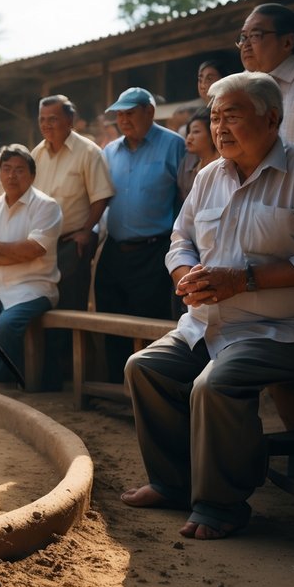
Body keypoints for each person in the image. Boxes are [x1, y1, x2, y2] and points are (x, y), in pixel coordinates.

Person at [121, 71, 294, 541]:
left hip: (285, 327)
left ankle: (222, 503)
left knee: (217, 384)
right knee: (145, 368)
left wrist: (245, 280)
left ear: (272, 118)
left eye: (233, 115)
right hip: (206, 322)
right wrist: (183, 274)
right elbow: (181, 237)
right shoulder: (210, 175)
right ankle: (174, 484)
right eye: (214, 117)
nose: (220, 127)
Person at [96, 87, 186, 380]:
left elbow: (185, 197)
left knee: (152, 321)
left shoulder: (174, 145)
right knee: (110, 317)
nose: (123, 119)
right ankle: (115, 387)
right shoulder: (110, 151)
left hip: (155, 249)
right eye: (119, 114)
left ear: (150, 112)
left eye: (130, 112)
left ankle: (150, 386)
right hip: (114, 248)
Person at [0, 146, 63, 385]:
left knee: (6, 326)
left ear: (32, 175)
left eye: (19, 170)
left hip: (35, 288)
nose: (11, 176)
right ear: (0, 173)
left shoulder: (46, 206)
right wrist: (13, 253)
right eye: (6, 169)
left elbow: (34, 250)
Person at [33, 94, 114, 389]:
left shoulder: (87, 151)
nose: (46, 125)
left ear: (70, 120)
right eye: (42, 119)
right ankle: (48, 373)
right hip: (42, 245)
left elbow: (101, 195)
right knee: (42, 304)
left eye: (52, 119)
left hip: (73, 243)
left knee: (70, 307)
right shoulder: (37, 153)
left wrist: (86, 230)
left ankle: (71, 376)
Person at [236, 3, 294, 149]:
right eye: (243, 37)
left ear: (287, 42)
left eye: (255, 35)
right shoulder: (234, 91)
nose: (245, 44)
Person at [177, 106, 219, 202]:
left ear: (212, 133)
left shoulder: (226, 166)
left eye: (196, 132)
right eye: (188, 133)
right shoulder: (188, 164)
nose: (189, 137)